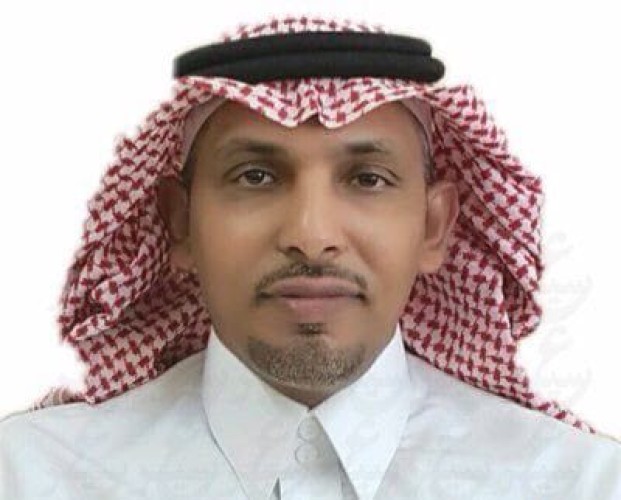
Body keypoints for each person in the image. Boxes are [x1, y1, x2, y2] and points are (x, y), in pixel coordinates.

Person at [1, 14, 620, 500]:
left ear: (434, 227)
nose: (311, 234)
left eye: (368, 179)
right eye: (256, 176)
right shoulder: (31, 477)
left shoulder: (578, 484)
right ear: (180, 224)